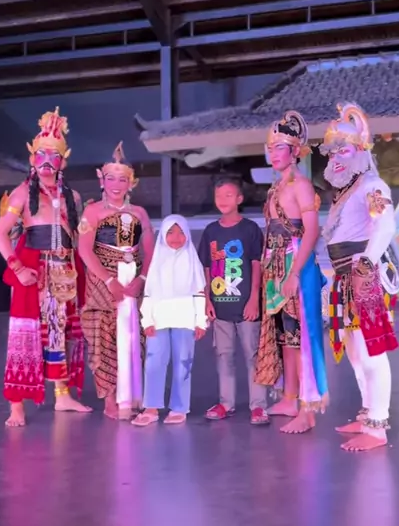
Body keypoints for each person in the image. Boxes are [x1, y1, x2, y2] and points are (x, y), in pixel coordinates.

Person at [0, 107, 90, 427]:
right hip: (33, 273)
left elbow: (78, 237)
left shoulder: (73, 196)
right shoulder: (22, 193)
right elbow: (0, 234)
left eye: (54, 156)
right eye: (41, 154)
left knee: (60, 334)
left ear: (63, 161)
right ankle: (16, 406)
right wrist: (17, 268)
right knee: (25, 336)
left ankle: (62, 395)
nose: (47, 161)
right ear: (32, 158)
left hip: (64, 273)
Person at [320, 103, 399, 452]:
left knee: (370, 353)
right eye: (332, 151)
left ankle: (378, 426)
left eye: (344, 149)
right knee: (355, 353)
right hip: (344, 278)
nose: (336, 156)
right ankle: (367, 413)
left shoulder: (372, 184)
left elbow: (386, 225)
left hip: (364, 278)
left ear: (360, 151)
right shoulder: (345, 191)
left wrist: (366, 262)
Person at [255, 111, 328, 434]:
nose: (274, 153)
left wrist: (295, 273)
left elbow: (311, 231)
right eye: (271, 148)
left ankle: (307, 409)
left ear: (295, 151)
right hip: (275, 267)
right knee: (286, 335)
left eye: (280, 148)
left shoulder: (301, 186)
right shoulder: (276, 188)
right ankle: (289, 397)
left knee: (301, 336)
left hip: (294, 266)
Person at [78, 143, 155, 421]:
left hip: (132, 278)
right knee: (103, 338)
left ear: (131, 183)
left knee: (134, 335)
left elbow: (150, 250)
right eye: (111, 178)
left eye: (122, 179)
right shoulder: (92, 211)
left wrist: (142, 279)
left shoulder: (140, 213)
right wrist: (109, 279)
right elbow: (85, 250)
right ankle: (110, 399)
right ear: (102, 180)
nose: (116, 185)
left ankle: (131, 394)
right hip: (102, 280)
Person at [198, 177, 269, 425]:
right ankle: (226, 403)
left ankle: (258, 406)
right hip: (221, 307)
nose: (223, 200)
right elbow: (207, 267)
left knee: (253, 356)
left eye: (229, 195)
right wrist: (207, 299)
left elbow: (257, 265)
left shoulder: (250, 229)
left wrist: (254, 299)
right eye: (219, 195)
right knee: (223, 356)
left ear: (239, 199)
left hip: (246, 306)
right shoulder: (211, 231)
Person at [132, 215, 207, 426]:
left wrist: (200, 321)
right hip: (159, 319)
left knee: (183, 364)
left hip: (185, 318)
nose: (176, 237)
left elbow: (199, 292)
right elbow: (149, 293)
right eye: (171, 232)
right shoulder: (157, 261)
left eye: (181, 232)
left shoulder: (191, 260)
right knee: (154, 363)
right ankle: (151, 407)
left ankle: (179, 408)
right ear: (163, 235)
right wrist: (147, 320)